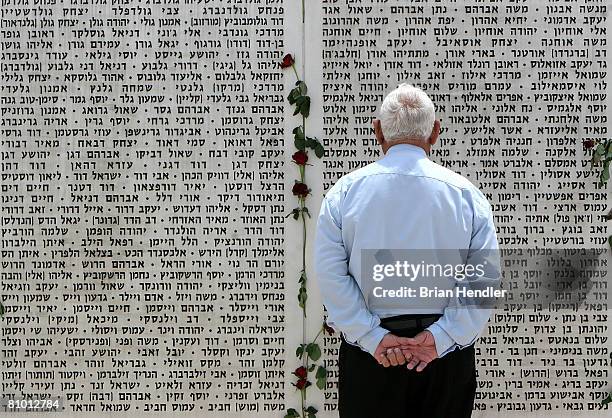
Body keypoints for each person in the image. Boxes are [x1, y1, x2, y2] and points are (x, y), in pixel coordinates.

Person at [314, 83, 500, 417]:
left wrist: (374, 338)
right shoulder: (467, 195)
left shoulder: (344, 193)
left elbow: (331, 275)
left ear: (378, 130)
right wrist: (438, 339)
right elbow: (482, 281)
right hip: (444, 362)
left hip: (371, 360)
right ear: (436, 132)